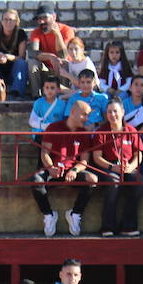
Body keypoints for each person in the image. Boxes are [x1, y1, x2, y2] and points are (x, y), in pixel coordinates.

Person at [32, 100, 97, 237]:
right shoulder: (53, 127)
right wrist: (50, 167)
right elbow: (45, 153)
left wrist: (74, 170)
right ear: (73, 112)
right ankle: (49, 215)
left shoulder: (84, 133)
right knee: (36, 180)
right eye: (84, 115)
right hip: (53, 170)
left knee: (93, 179)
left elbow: (84, 160)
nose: (87, 119)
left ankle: (75, 214)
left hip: (72, 171)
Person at [90, 99, 143, 236]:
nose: (112, 114)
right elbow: (97, 157)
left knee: (137, 181)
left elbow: (138, 154)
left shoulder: (131, 130)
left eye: (115, 111)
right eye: (109, 112)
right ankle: (108, 226)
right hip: (108, 167)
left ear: (123, 112)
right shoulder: (101, 131)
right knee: (113, 183)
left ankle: (128, 226)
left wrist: (131, 166)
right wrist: (111, 167)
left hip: (128, 166)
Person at [27, 3, 75, 97]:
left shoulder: (67, 30)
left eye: (44, 18)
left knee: (62, 62)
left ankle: (63, 95)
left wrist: (57, 35)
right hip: (46, 70)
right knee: (32, 63)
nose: (41, 22)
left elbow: (63, 55)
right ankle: (36, 96)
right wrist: (50, 57)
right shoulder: (36, 32)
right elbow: (33, 53)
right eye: (39, 19)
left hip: (63, 70)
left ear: (54, 17)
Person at [119, 75, 143, 176]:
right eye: (136, 85)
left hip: (142, 130)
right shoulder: (124, 102)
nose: (138, 88)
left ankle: (142, 171)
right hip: (127, 130)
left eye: (142, 85)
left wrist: (137, 134)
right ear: (130, 87)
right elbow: (121, 120)